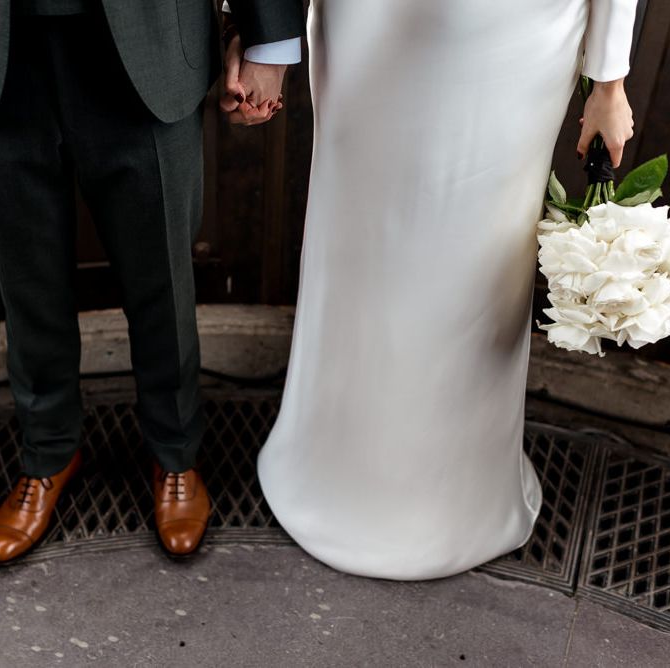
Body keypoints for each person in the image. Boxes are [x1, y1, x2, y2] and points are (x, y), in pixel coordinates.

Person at [222, 0, 637, 580]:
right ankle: (331, 466)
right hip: (366, 24)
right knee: (360, 243)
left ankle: (453, 497)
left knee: (478, 255)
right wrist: (266, 36)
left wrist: (609, 81)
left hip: (516, 37)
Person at [0, 0, 305, 563]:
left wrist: (268, 38)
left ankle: (175, 452)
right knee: (25, 274)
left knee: (161, 274)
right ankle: (47, 452)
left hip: (147, 34)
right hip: (9, 42)